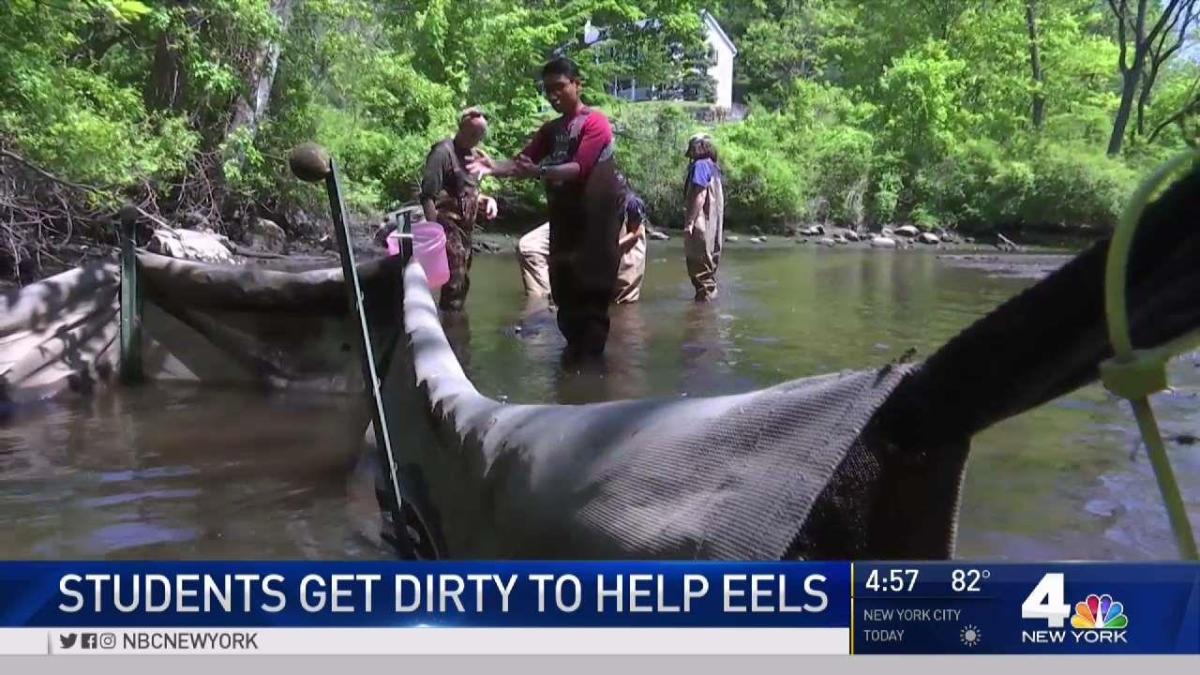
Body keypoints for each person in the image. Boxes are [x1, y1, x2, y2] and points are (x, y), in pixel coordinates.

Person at [470, 58, 624, 361]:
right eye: (548, 90)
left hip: (595, 233)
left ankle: (591, 383)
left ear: (577, 84)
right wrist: (493, 168)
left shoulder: (595, 123)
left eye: (559, 87)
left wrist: (538, 171)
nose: (553, 96)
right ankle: (573, 384)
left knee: (591, 309)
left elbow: (579, 168)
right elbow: (522, 163)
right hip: (563, 229)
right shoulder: (550, 130)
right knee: (566, 305)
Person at [419, 106, 499, 311]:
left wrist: (487, 200)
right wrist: (434, 234)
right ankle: (451, 330)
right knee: (455, 278)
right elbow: (428, 195)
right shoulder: (443, 153)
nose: (476, 138)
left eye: (480, 135)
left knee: (463, 280)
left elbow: (469, 192)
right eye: (473, 133)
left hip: (466, 228)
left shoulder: (475, 157)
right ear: (461, 129)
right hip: (446, 225)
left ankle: (456, 327)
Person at [516, 190, 647, 304]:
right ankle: (541, 307)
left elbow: (637, 232)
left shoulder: (632, 203)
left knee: (620, 299)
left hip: (625, 243)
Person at [683, 133, 725, 302]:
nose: (691, 155)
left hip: (701, 222)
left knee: (699, 266)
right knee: (709, 269)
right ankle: (708, 313)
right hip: (713, 226)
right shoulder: (714, 167)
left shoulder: (700, 165)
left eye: (692, 151)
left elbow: (700, 195)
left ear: (697, 148)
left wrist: (690, 222)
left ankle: (702, 313)